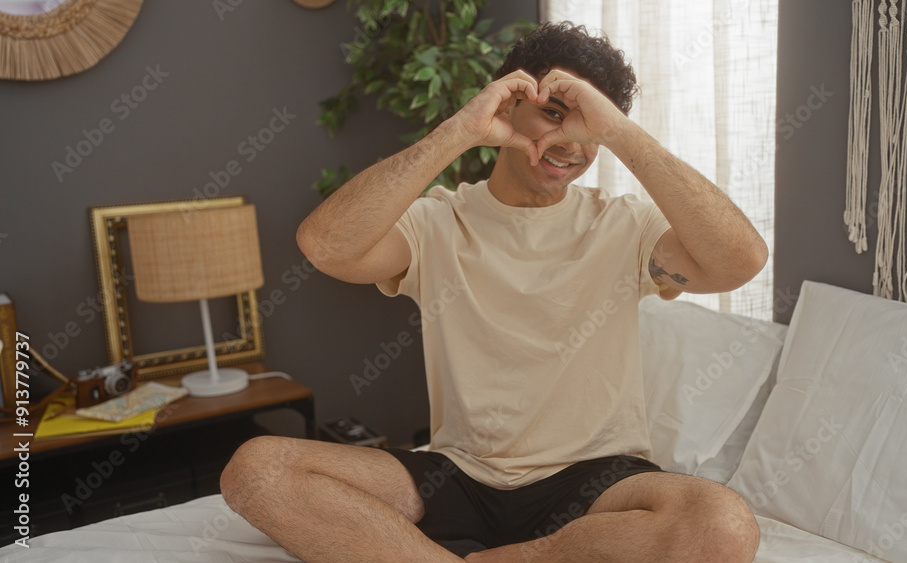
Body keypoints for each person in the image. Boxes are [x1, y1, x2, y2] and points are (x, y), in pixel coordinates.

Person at [221, 21, 768, 562]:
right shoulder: (437, 221)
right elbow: (325, 246)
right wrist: (459, 131)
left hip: (595, 480)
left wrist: (622, 133)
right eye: (554, 114)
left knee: (723, 526)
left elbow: (740, 263)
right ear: (508, 103)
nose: (569, 144)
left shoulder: (628, 226)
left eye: (590, 128)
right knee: (258, 470)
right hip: (458, 475)